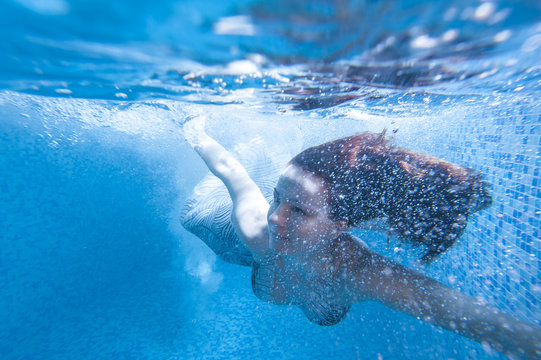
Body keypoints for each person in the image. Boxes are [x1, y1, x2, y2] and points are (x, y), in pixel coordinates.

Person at [182, 116, 540, 358]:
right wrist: (193, 131)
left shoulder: (357, 272)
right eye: (278, 200)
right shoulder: (260, 231)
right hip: (261, 250)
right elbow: (232, 172)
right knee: (193, 217)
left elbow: (455, 311)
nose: (275, 217)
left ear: (341, 227)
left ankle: (285, 167)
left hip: (311, 257)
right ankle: (275, 152)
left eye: (299, 210)